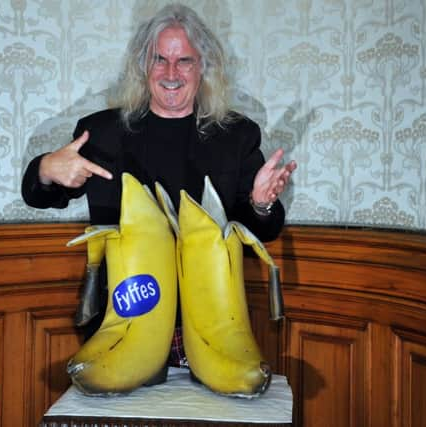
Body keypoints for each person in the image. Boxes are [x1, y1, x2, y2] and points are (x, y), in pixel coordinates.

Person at [22, 3, 296, 369]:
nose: (171, 72)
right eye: (159, 59)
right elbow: (38, 195)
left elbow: (266, 227)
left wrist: (261, 203)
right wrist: (45, 169)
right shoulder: (103, 133)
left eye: (184, 60)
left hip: (211, 323)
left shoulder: (236, 136)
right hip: (125, 315)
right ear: (142, 66)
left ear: (203, 68)